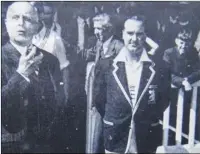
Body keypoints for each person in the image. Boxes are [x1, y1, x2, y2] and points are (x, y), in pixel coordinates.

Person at [93, 15, 171, 153]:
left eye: (139, 34)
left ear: (145, 36)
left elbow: (163, 100)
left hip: (146, 136)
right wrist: (117, 117)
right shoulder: (106, 66)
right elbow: (100, 101)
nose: (134, 39)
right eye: (130, 33)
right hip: (115, 136)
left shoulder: (160, 67)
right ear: (122, 34)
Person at [2, 2, 65, 153]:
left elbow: (58, 101)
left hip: (45, 145)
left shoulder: (50, 60)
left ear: (37, 26)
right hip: (10, 146)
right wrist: (21, 75)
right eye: (15, 17)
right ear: (6, 23)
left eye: (28, 19)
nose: (21, 23)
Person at [85, 13, 123, 153]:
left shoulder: (119, 46)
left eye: (100, 29)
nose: (97, 32)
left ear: (110, 29)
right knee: (95, 137)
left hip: (111, 101)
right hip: (98, 98)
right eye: (95, 29)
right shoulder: (99, 43)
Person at [163, 27, 200, 145]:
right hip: (172, 94)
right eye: (181, 42)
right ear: (176, 40)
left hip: (188, 93)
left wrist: (188, 79)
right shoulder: (169, 53)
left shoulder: (192, 53)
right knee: (171, 121)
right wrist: (181, 81)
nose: (183, 46)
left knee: (187, 121)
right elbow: (167, 73)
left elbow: (198, 70)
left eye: (186, 43)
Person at [32, 2, 70, 102]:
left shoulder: (54, 38)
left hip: (48, 94)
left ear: (40, 15)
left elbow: (64, 67)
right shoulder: (26, 38)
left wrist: (65, 94)